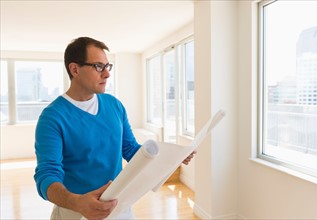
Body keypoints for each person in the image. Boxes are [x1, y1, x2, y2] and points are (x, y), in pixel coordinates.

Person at [34, 36, 196, 220]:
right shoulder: (52, 118)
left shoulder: (114, 105)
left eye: (107, 66)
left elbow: (130, 149)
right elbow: (47, 175)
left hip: (118, 207)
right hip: (76, 211)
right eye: (98, 66)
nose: (107, 74)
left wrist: (171, 156)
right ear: (74, 69)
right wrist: (78, 202)